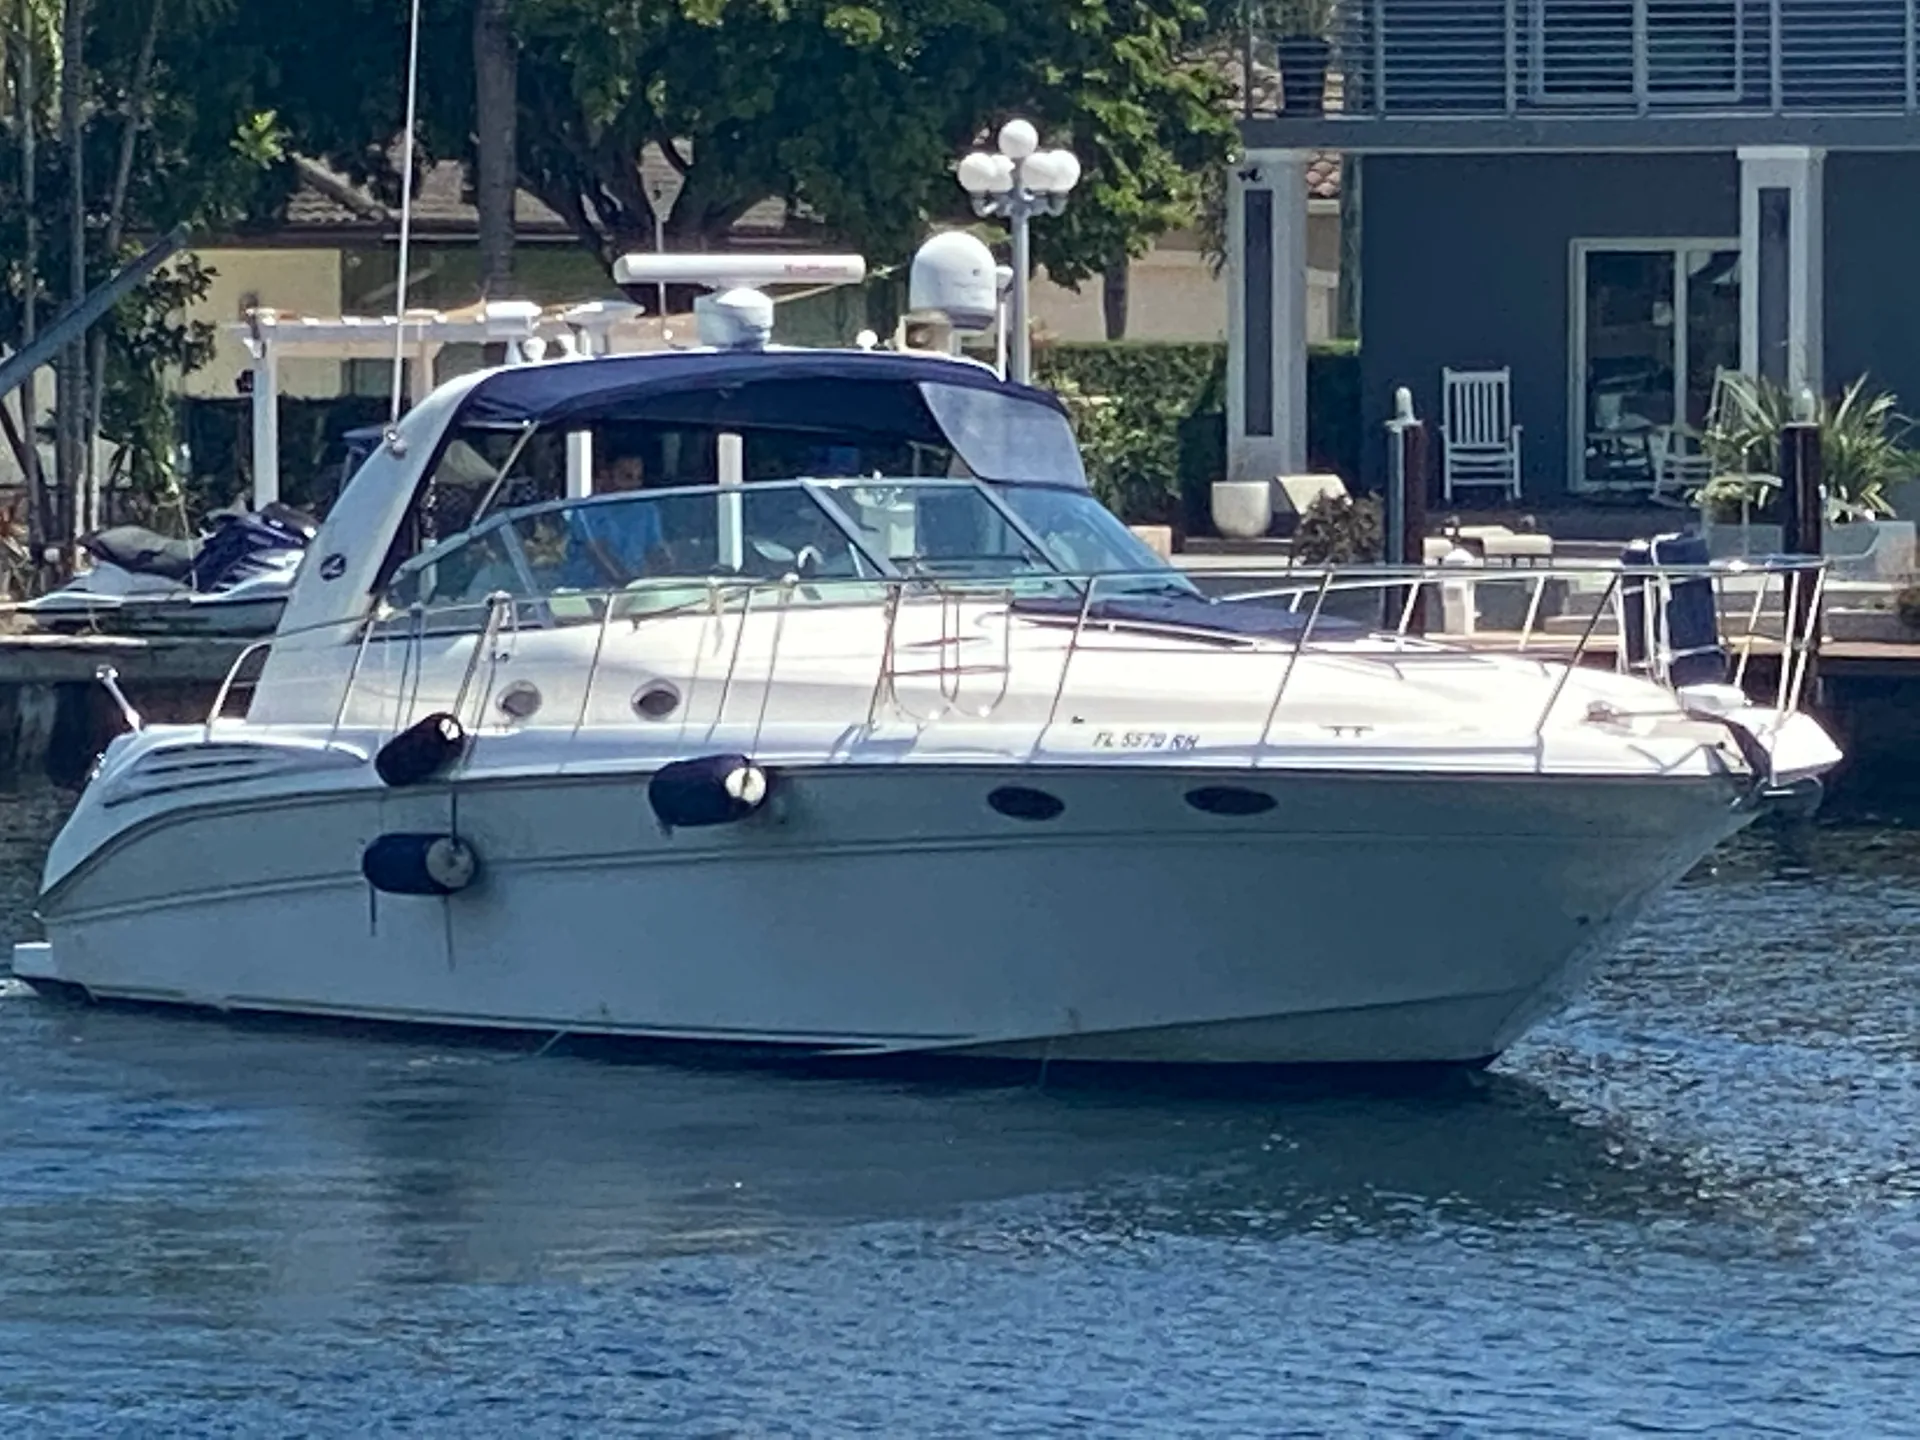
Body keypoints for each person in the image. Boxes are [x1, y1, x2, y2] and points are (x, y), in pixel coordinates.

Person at [565, 450, 665, 588]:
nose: (634, 485)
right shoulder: (586, 511)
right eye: (627, 477)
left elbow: (657, 551)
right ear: (605, 475)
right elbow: (601, 556)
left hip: (636, 591)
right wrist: (631, 586)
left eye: (639, 477)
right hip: (590, 593)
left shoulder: (647, 509)